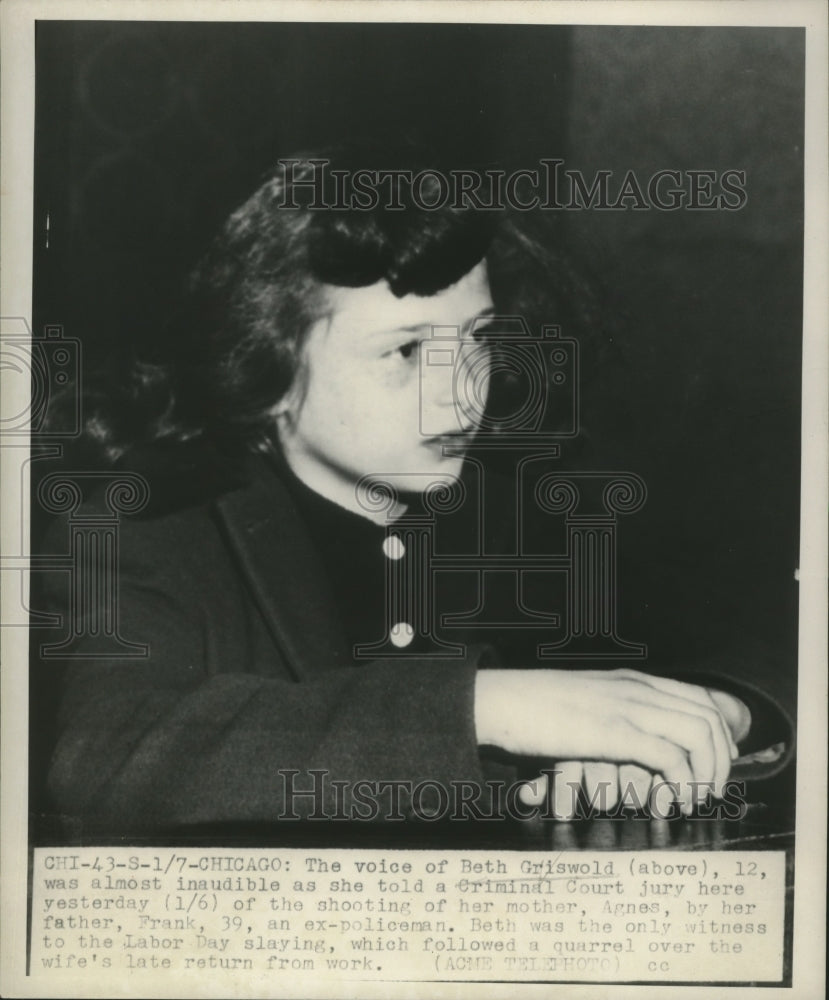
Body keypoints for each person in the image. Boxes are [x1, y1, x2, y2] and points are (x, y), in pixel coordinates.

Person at [32, 150, 793, 840]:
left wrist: (685, 724)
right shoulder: (147, 527)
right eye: (404, 351)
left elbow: (755, 638)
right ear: (265, 369)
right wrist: (488, 706)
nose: (463, 392)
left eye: (479, 339)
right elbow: (102, 758)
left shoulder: (523, 510)